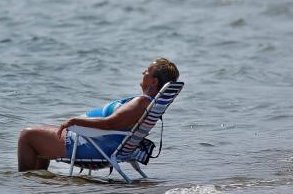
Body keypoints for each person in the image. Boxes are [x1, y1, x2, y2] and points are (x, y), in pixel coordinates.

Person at [16, 58, 180, 172]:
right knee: (39, 134)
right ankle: (38, 182)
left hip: (92, 145)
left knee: (27, 135)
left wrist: (74, 121)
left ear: (154, 82)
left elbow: (109, 123)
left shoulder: (141, 103)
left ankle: (28, 187)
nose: (143, 71)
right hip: (98, 141)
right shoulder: (149, 104)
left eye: (147, 71)